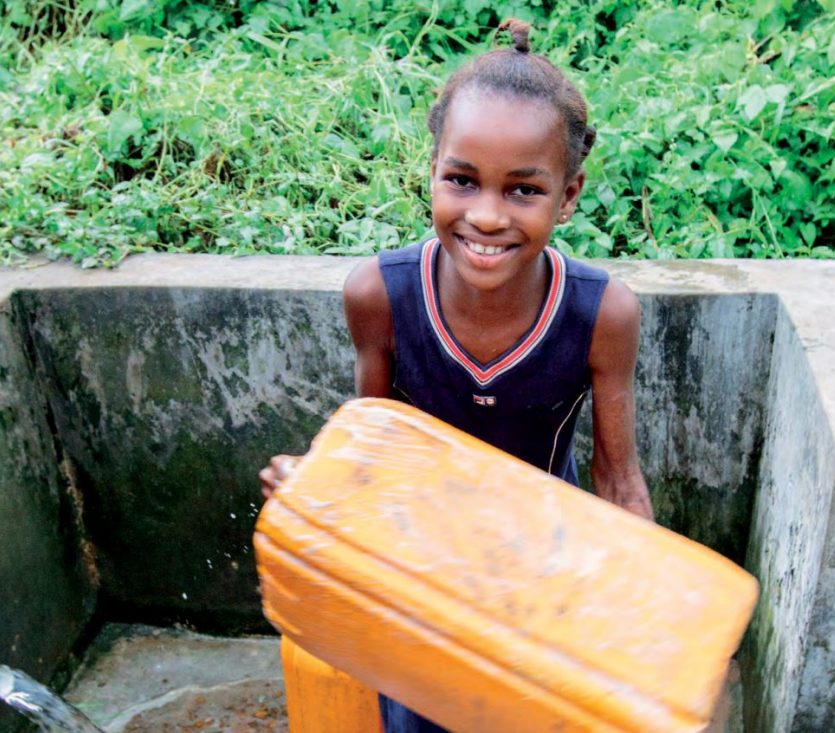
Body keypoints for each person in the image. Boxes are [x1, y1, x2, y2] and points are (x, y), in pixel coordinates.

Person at [260, 18, 653, 732]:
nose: (487, 215)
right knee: (419, 713)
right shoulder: (381, 295)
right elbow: (369, 450)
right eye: (462, 181)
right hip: (425, 555)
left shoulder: (601, 314)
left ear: (568, 195)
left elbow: (618, 481)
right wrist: (312, 481)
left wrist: (646, 614)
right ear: (432, 173)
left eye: (524, 190)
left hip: (542, 551)